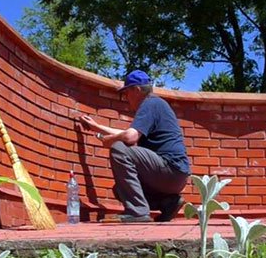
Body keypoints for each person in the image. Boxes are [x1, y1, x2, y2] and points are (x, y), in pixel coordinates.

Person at [79, 70, 190, 222]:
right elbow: (127, 133)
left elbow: (129, 137)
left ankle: (137, 212)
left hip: (169, 169)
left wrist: (111, 140)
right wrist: (97, 127)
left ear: (136, 90)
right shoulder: (156, 104)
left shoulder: (150, 103)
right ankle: (168, 203)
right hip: (175, 176)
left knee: (119, 149)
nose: (126, 98)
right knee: (121, 190)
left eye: (127, 93)